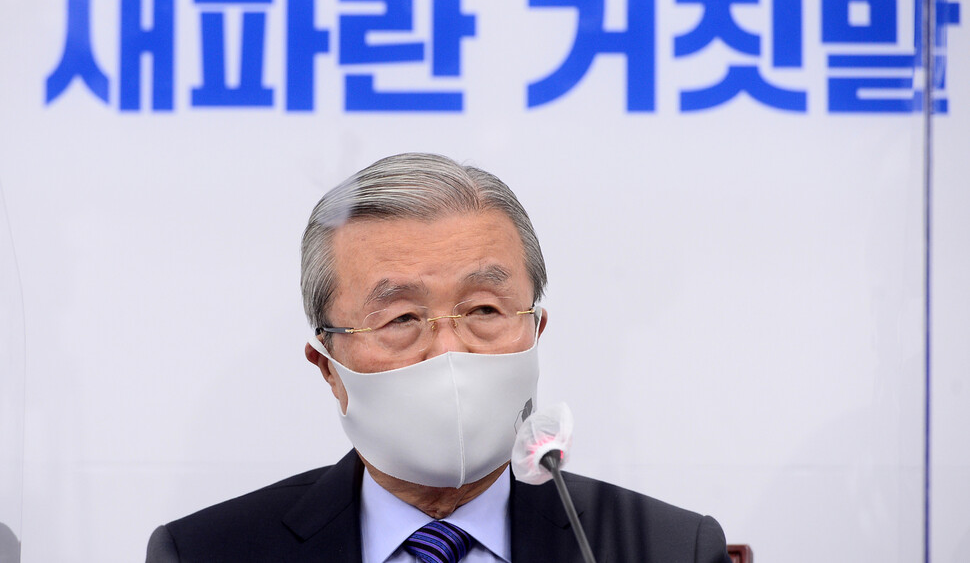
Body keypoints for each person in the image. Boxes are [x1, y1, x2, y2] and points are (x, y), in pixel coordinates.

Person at [146, 153, 731, 562]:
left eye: (482, 310)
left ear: (536, 333)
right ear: (328, 367)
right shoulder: (209, 551)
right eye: (402, 318)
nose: (450, 350)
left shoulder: (666, 548)